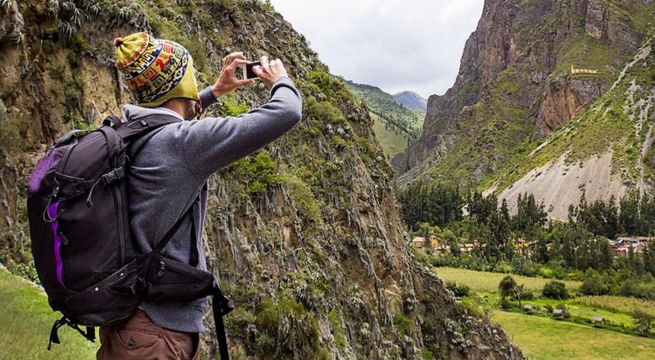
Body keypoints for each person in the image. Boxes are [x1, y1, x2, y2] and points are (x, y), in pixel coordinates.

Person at [96, 32, 302, 359]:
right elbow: (286, 112)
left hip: (126, 320)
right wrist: (281, 80)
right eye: (190, 72)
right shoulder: (184, 145)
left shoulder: (126, 131)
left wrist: (216, 91)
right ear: (179, 83)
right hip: (156, 331)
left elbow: (168, 123)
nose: (195, 77)